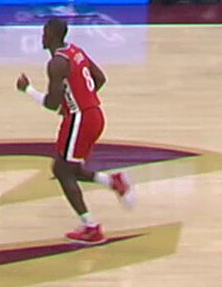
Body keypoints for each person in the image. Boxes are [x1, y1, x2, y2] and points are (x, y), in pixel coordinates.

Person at [16, 19, 135, 244]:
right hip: (93, 114)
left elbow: (52, 104)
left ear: (51, 35)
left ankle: (91, 227)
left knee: (62, 171)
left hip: (80, 119)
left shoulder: (56, 64)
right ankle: (113, 181)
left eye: (44, 32)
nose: (42, 36)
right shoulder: (75, 51)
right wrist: (81, 100)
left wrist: (27, 90)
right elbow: (100, 78)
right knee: (69, 167)